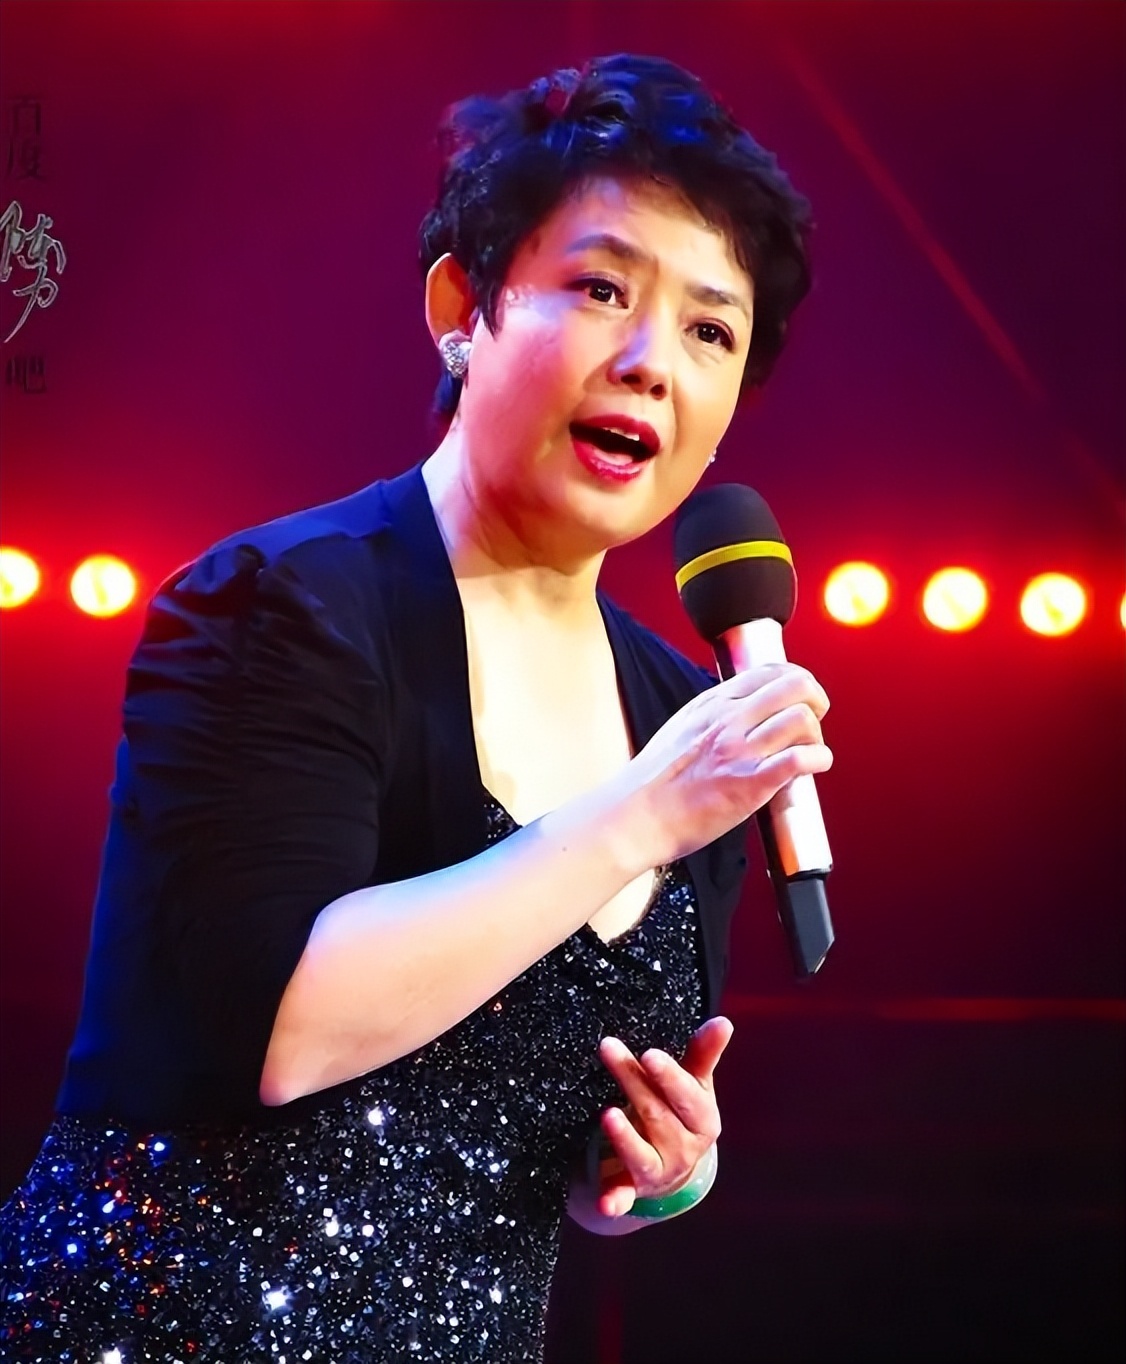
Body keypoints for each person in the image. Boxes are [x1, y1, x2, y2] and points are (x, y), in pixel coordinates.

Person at [0, 53, 830, 1363]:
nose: (648, 362)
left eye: (708, 331)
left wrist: (657, 1169)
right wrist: (641, 813)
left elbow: (551, 1135)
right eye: (601, 289)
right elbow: (285, 1032)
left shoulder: (679, 715)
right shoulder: (279, 604)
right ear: (461, 306)